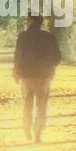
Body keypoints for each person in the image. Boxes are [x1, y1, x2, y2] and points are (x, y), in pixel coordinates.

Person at [12, 13, 61, 142]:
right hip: (44, 77)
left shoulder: (23, 37)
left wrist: (16, 72)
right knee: (42, 106)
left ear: (32, 21)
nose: (26, 22)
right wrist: (49, 68)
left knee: (27, 105)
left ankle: (27, 130)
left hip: (26, 77)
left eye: (27, 19)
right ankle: (38, 133)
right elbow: (57, 57)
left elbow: (17, 56)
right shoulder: (49, 37)